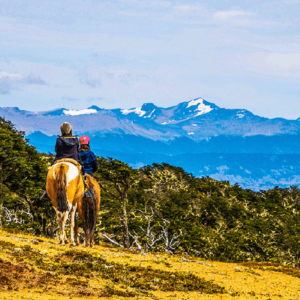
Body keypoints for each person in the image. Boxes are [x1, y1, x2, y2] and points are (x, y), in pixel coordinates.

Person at [41, 122, 92, 199]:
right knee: (82, 171)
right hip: (74, 159)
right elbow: (76, 150)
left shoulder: (59, 140)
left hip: (60, 158)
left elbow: (56, 150)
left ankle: (47, 190)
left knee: (50, 171)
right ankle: (85, 190)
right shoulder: (75, 139)